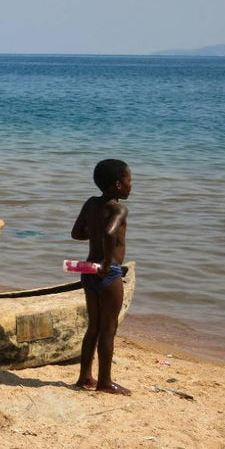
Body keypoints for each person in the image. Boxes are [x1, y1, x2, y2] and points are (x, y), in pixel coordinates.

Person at [70, 158, 133, 396]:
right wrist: (107, 262)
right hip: (109, 272)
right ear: (118, 184)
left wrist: (94, 233)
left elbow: (76, 234)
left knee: (93, 327)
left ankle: (85, 376)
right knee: (109, 329)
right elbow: (109, 231)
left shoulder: (90, 203)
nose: (131, 186)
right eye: (129, 181)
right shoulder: (119, 209)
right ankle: (105, 382)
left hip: (88, 269)